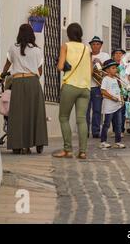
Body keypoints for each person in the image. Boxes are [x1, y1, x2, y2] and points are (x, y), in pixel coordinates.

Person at [1, 24, 48, 155]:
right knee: (34, 113)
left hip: (18, 82)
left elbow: (7, 64)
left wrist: (3, 74)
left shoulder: (13, 48)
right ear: (32, 35)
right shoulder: (37, 50)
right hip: (33, 81)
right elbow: (40, 71)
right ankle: (37, 141)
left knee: (17, 114)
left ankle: (17, 144)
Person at [53, 23, 92, 159]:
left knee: (64, 117)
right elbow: (90, 70)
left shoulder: (66, 46)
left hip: (70, 85)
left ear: (69, 34)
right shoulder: (87, 49)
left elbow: (60, 66)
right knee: (81, 119)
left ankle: (68, 150)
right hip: (85, 88)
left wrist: (60, 63)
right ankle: (82, 151)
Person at [99, 59, 126, 149]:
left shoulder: (116, 79)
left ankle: (118, 142)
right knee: (106, 124)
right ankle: (103, 141)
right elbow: (103, 91)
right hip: (109, 106)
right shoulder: (105, 79)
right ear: (107, 70)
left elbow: (119, 91)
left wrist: (121, 99)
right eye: (113, 68)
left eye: (116, 68)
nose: (115, 70)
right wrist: (112, 98)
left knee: (118, 124)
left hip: (117, 106)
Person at [87, 36, 110, 139]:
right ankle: (85, 131)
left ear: (101, 45)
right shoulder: (87, 55)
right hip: (86, 86)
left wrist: (100, 64)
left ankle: (96, 131)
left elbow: (108, 70)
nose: (95, 46)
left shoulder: (105, 55)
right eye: (93, 44)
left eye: (97, 44)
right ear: (91, 45)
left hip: (97, 86)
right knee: (85, 110)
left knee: (97, 110)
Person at [112, 48, 128, 134]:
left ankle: (121, 130)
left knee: (122, 110)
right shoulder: (111, 66)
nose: (118, 55)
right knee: (113, 110)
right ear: (113, 56)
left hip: (123, 90)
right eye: (116, 53)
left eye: (120, 53)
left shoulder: (126, 66)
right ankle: (115, 130)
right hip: (113, 90)